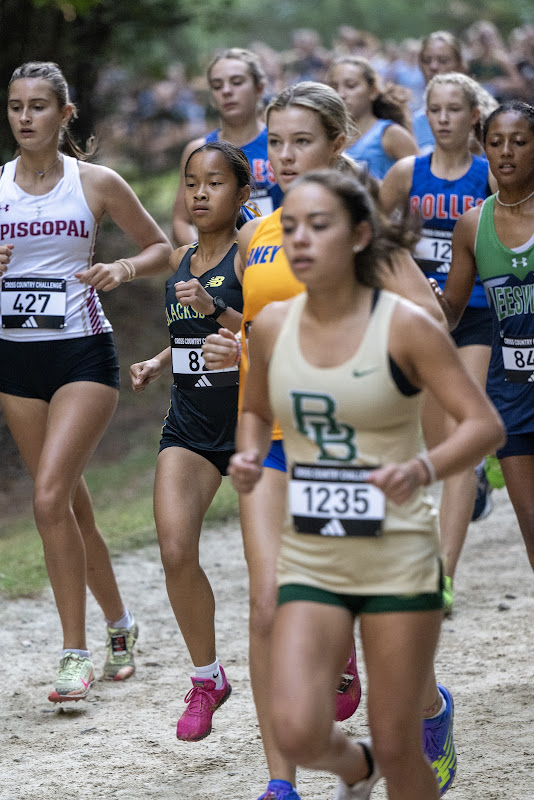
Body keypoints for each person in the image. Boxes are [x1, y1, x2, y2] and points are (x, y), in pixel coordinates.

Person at [203, 81, 456, 800]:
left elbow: (427, 316)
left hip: (352, 446)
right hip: (276, 443)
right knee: (263, 604)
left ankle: (427, 704)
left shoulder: (360, 226)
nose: (282, 155)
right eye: (275, 142)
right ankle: (281, 782)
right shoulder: (255, 233)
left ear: (337, 145)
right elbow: (256, 326)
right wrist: (239, 347)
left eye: (301, 141)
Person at [228, 169, 504, 800]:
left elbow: (481, 426)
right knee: (299, 729)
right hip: (313, 552)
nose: (298, 241)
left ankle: (391, 756)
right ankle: (358, 768)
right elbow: (252, 410)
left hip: (395, 558)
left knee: (400, 739)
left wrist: (420, 469)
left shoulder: (405, 326)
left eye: (318, 227)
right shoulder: (270, 329)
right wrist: (249, 456)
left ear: (357, 236)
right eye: (290, 227)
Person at [0, 61, 172, 702]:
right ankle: (121, 626)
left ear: (64, 114)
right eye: (15, 106)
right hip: (16, 359)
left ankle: (74, 654)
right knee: (69, 505)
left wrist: (121, 269)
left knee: (47, 499)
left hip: (82, 353)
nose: (24, 117)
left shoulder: (93, 182)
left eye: (38, 106)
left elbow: (162, 249)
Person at [129, 141, 249, 741]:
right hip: (192, 427)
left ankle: (337, 660)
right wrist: (158, 360)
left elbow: (269, 328)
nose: (200, 193)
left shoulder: (255, 251)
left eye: (215, 183)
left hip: (256, 426)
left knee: (279, 568)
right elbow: (190, 334)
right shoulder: (182, 257)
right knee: (175, 550)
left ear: (242, 193)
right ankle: (208, 678)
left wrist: (217, 308)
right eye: (191, 183)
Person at [380, 72, 498, 614]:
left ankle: (442, 575)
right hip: (417, 323)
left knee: (457, 439)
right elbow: (374, 241)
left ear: (475, 115)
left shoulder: (487, 176)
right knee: (440, 449)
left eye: (456, 108)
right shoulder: (407, 174)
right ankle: (464, 489)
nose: (445, 117)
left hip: (473, 320)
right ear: (426, 115)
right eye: (436, 108)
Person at [431, 100, 534, 573]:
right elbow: (452, 312)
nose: (506, 152)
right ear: (483, 148)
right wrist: (430, 301)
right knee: (529, 517)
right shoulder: (472, 225)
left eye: (519, 141)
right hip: (510, 389)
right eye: (496, 143)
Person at [172, 48, 282, 245]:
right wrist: (203, 261)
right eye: (217, 85)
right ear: (212, 97)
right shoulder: (199, 150)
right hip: (224, 268)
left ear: (259, 88)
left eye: (237, 82)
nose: (227, 91)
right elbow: (182, 220)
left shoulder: (281, 142)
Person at [328, 56, 419, 179]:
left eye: (351, 86)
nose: (341, 94)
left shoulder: (390, 134)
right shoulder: (328, 138)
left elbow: (422, 179)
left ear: (373, 91)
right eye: (334, 87)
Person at [414, 32, 465, 154]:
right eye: (426, 60)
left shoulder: (478, 117)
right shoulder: (413, 122)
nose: (433, 66)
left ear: (459, 65)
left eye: (443, 60)